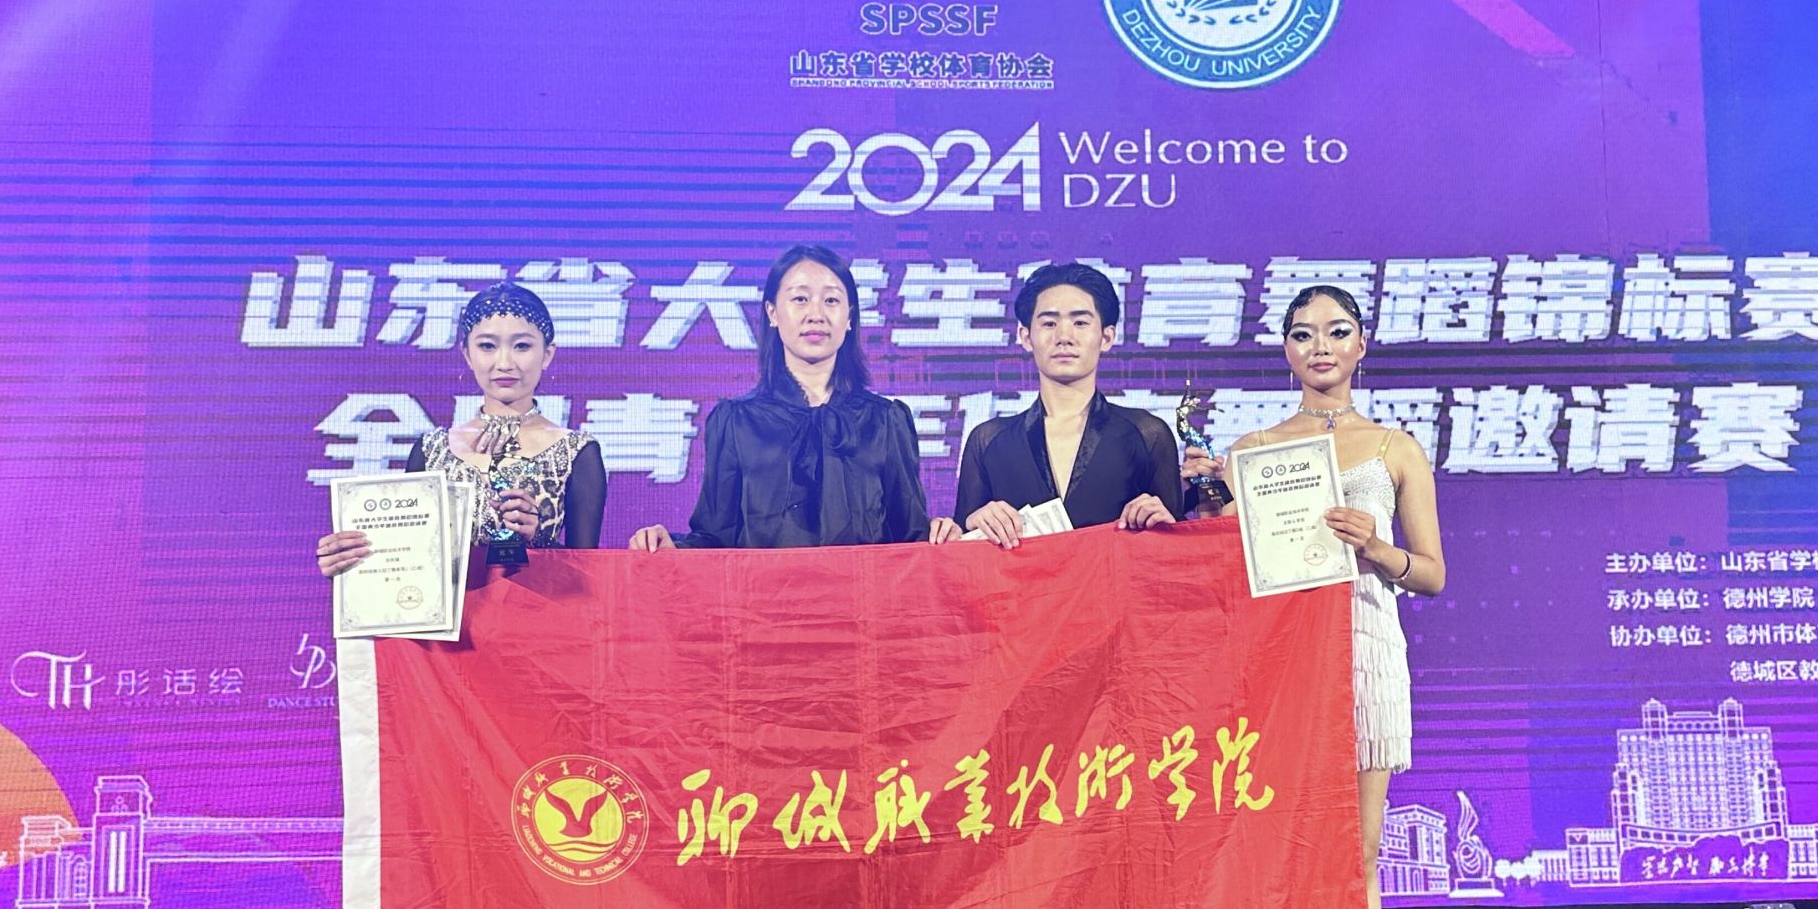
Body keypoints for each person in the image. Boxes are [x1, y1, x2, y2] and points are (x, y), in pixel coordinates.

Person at [1183, 283, 1446, 909]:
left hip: (1365, 651)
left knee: (1356, 855)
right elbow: (1226, 571)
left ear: (1362, 344)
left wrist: (1378, 551)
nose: (1320, 347)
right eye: (1303, 334)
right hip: (1279, 671)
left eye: (1336, 332)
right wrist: (1203, 503)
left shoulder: (1396, 449)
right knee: (1280, 853)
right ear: (1286, 351)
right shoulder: (1254, 450)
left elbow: (1432, 573)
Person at [629, 244, 945, 550]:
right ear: (772, 312)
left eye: (831, 300)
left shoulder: (886, 420)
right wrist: (671, 548)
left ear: (849, 317)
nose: (816, 314)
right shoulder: (736, 422)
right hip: (764, 588)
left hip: (864, 588)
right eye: (800, 299)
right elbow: (715, 539)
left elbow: (912, 538)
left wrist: (943, 535)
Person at [315, 282, 608, 576]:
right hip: (447, 608)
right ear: (467, 354)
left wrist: (538, 541)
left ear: (547, 354)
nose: (504, 362)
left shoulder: (576, 452)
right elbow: (408, 560)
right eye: (487, 346)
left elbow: (586, 575)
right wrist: (351, 565)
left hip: (535, 605)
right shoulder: (431, 451)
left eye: (522, 346)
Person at [952, 262, 1182, 546]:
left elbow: (1176, 552)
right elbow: (961, 552)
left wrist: (1166, 525)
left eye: (1080, 323)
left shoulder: (1147, 434)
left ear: (1107, 337)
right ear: (1026, 337)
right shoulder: (988, 440)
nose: (1064, 337)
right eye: (1049, 323)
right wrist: (974, 524)